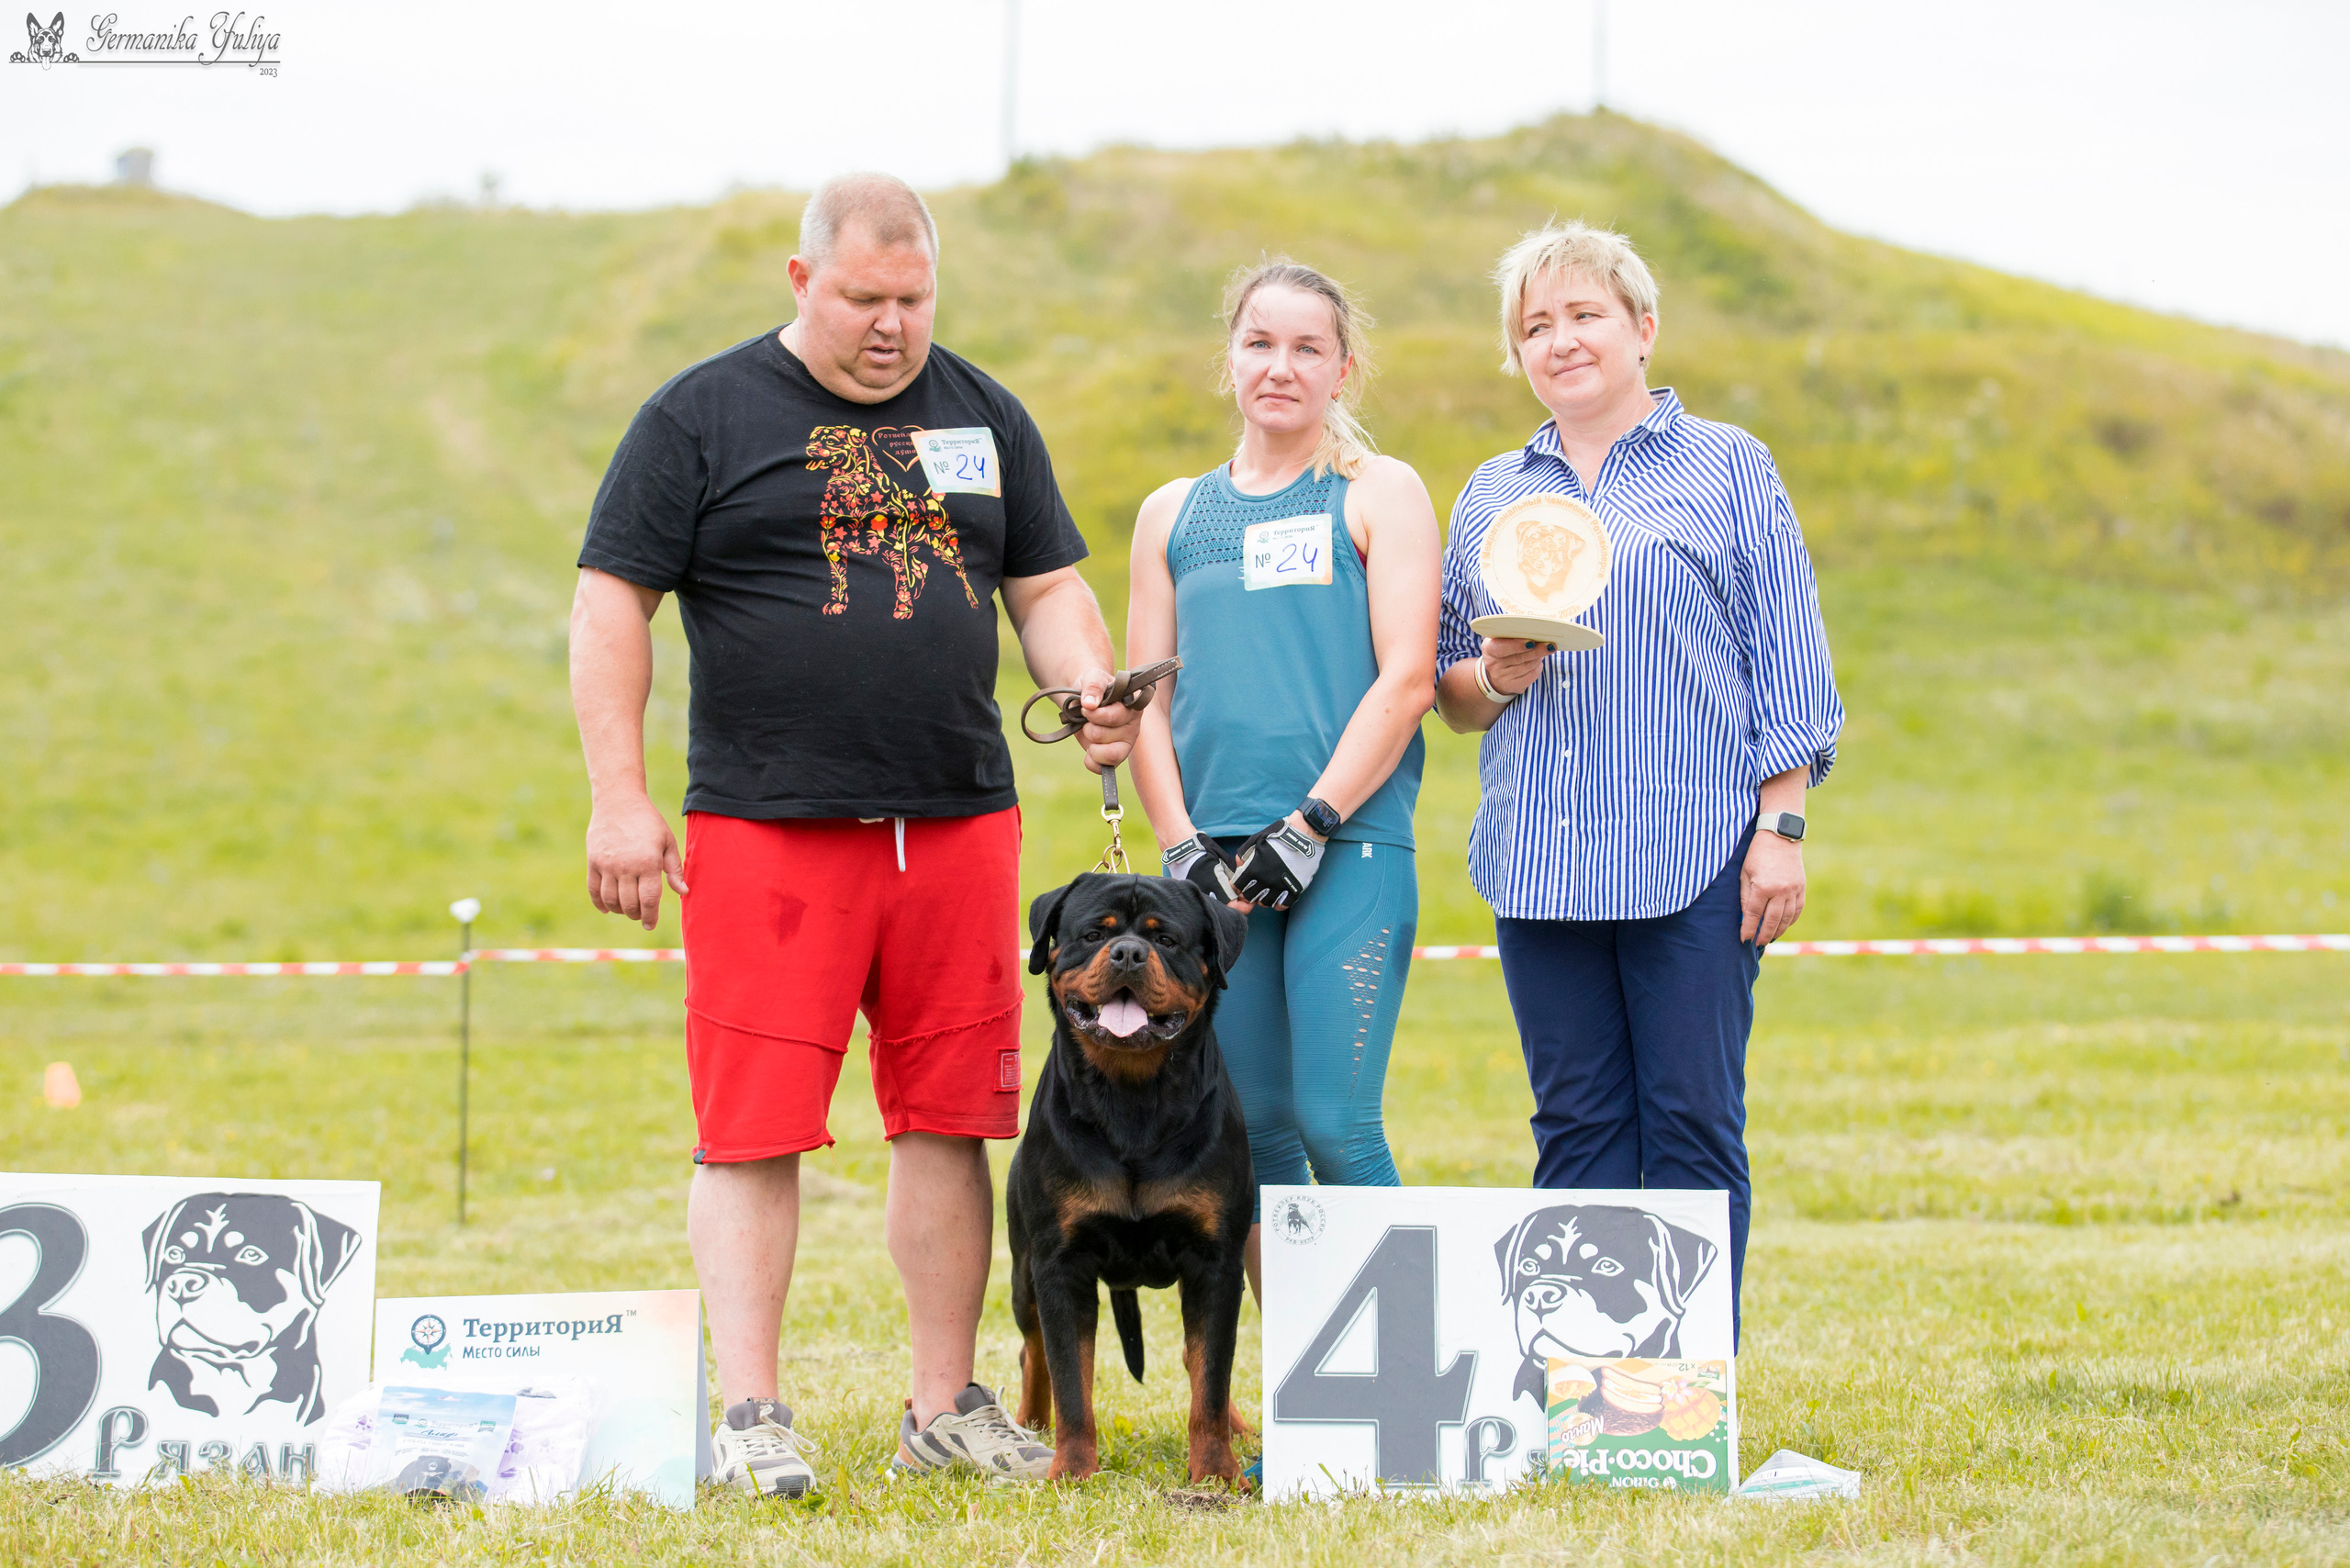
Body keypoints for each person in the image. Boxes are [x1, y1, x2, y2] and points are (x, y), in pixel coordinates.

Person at [570, 172, 1140, 1496]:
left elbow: (1045, 584)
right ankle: (754, 1410)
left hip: (956, 822)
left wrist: (1089, 683)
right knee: (753, 1127)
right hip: (770, 829)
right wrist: (619, 796)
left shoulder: (985, 412)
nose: (892, 325)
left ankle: (944, 1405)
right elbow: (611, 610)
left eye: (915, 299)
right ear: (801, 281)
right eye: (865, 299)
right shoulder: (700, 417)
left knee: (952, 1120)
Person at [1432, 221, 1842, 1332]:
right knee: (1574, 1128)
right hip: (1542, 863)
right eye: (1535, 325)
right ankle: (1582, 1388)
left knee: (1692, 1121)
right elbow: (1450, 691)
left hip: (1694, 859)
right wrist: (1500, 673)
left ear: (1642, 328)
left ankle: (1682, 1397)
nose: (1560, 341)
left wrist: (1782, 826)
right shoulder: (1487, 494)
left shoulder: (1727, 467)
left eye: (1583, 316)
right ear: (1516, 353)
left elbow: (1787, 658)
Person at [1126, 259, 1440, 1299]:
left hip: (1342, 848)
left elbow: (1405, 678)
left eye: (1308, 348)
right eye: (1260, 342)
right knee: (1255, 1133)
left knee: (1336, 1123)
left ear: (1343, 369)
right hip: (1215, 870)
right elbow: (1147, 703)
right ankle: (1310, 1407)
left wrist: (1311, 821)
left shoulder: (1375, 491)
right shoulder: (1172, 514)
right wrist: (1180, 850)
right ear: (1230, 358)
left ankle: (1411, 1385)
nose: (1281, 366)